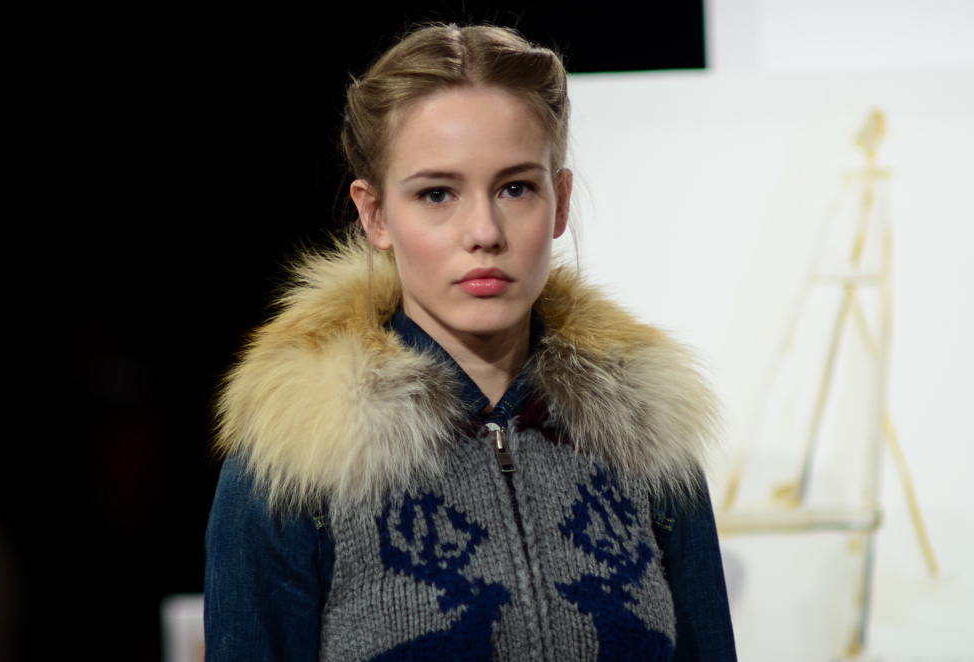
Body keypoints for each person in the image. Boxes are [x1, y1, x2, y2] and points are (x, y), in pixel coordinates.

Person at [204, 23, 737, 661]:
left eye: (516, 188)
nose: (484, 231)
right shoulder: (295, 457)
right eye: (437, 194)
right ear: (375, 214)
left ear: (560, 201)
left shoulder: (645, 436)